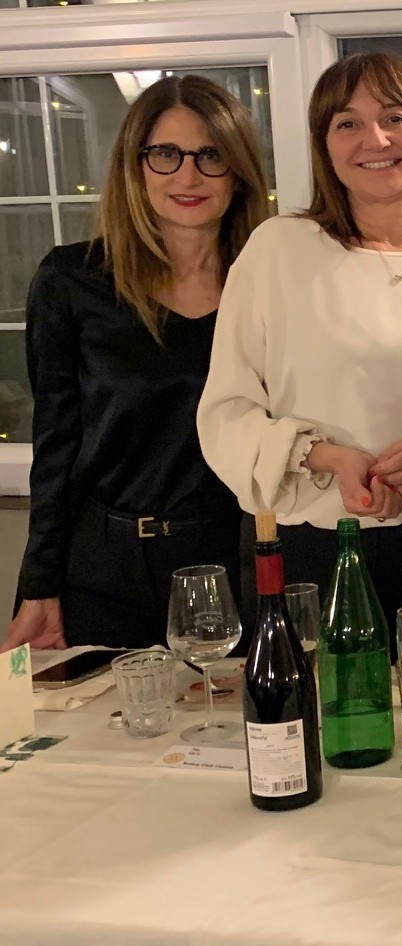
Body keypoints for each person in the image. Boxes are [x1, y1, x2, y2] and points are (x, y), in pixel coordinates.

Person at [197, 54, 402, 643]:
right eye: (348, 123)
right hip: (311, 552)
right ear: (324, 148)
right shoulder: (278, 251)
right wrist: (327, 457)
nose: (375, 139)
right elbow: (226, 413)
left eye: (396, 117)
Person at [5, 77, 270, 651]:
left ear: (239, 172)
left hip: (236, 558)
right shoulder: (71, 281)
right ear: (135, 165)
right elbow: (56, 447)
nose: (188, 176)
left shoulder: (270, 286)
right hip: (106, 568)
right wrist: (37, 586)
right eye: (166, 154)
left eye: (211, 155)